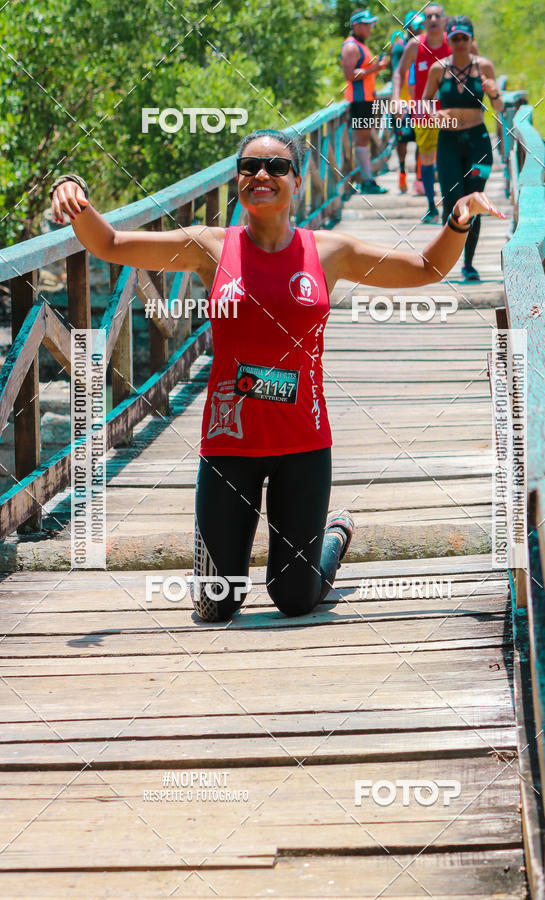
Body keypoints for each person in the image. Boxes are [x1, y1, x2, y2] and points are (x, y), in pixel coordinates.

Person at [51, 129, 505, 622]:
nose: (261, 175)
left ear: (298, 177)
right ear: (237, 179)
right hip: (229, 446)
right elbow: (110, 242)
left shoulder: (328, 252)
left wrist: (459, 219)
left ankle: (334, 535)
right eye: (249, 166)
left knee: (294, 598)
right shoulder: (208, 247)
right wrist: (71, 190)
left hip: (303, 448)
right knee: (217, 605)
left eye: (276, 167)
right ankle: (230, 561)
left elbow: (424, 268)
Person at [424, 15, 504, 280]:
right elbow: (423, 105)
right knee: (451, 201)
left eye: (464, 38)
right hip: (448, 142)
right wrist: (434, 115)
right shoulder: (438, 68)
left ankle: (468, 264)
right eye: (455, 38)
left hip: (478, 143)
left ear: (471, 40)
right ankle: (447, 259)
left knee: (475, 202)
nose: (459, 43)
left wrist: (493, 93)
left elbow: (500, 108)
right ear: (449, 39)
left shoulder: (484, 66)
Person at [394, 3, 451, 221]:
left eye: (438, 15)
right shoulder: (415, 45)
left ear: (444, 20)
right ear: (424, 22)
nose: (434, 19)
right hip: (422, 110)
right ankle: (431, 205)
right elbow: (399, 72)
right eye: (429, 16)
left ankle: (450, 202)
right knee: (426, 157)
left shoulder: (452, 43)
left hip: (449, 110)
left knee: (448, 156)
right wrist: (396, 99)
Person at [340, 8, 389, 194]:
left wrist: (376, 68)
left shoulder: (361, 45)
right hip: (358, 101)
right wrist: (375, 68)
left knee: (365, 139)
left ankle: (367, 178)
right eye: (366, 24)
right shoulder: (351, 46)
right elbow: (349, 75)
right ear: (356, 25)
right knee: (361, 141)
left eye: (370, 24)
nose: (370, 27)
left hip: (367, 100)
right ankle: (367, 181)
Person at [390, 12, 425, 193]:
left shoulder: (424, 45)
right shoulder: (399, 47)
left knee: (421, 139)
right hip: (403, 101)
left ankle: (420, 179)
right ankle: (402, 171)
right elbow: (398, 71)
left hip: (419, 101)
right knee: (402, 140)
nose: (421, 28)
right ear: (409, 27)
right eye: (417, 25)